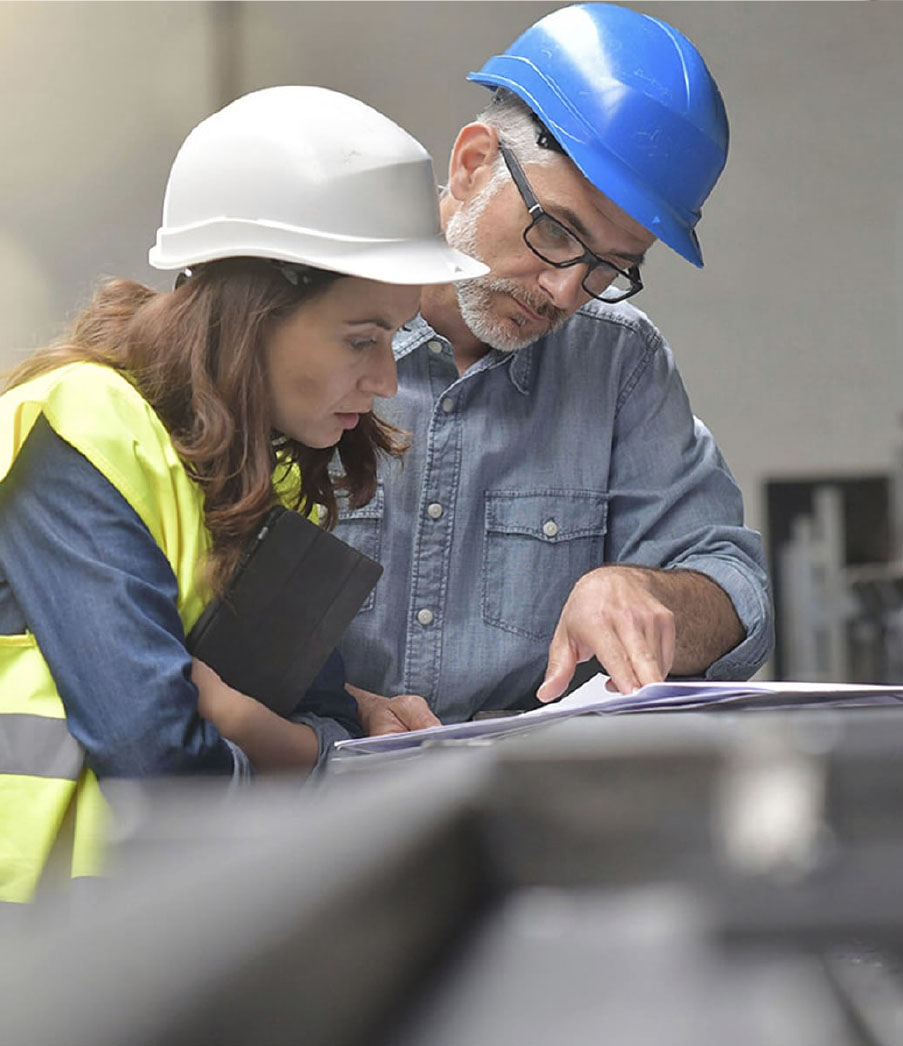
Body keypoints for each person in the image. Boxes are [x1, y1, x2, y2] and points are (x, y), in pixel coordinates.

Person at [0, 85, 485, 903]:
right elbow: (154, 757)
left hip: (163, 928)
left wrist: (255, 726)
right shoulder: (82, 425)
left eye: (393, 338)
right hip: (44, 940)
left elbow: (323, 715)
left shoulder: (269, 470)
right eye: (360, 339)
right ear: (250, 314)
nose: (385, 379)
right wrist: (296, 757)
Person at [334, 3, 775, 735]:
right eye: (557, 233)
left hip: (528, 795)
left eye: (610, 267)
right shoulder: (309, 323)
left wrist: (646, 592)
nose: (566, 291)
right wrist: (330, 706)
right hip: (311, 784)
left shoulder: (618, 364)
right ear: (472, 164)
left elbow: (738, 592)